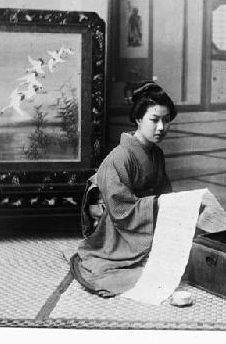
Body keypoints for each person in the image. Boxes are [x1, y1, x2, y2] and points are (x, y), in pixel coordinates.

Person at [70, 82, 177, 297]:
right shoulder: (119, 157)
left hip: (144, 219)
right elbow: (120, 208)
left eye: (166, 120)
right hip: (117, 224)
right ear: (138, 119)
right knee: (143, 272)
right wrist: (156, 205)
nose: (161, 127)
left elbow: (165, 194)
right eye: (154, 120)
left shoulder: (156, 154)